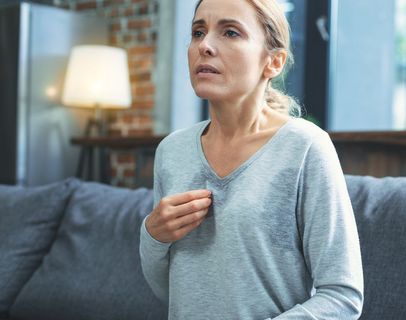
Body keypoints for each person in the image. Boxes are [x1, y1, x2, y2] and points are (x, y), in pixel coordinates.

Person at [139, 0, 364, 318]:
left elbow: (343, 296)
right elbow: (169, 290)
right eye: (197, 31)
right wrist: (153, 234)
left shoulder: (306, 148)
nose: (205, 45)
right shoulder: (171, 152)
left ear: (273, 62)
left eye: (230, 32)